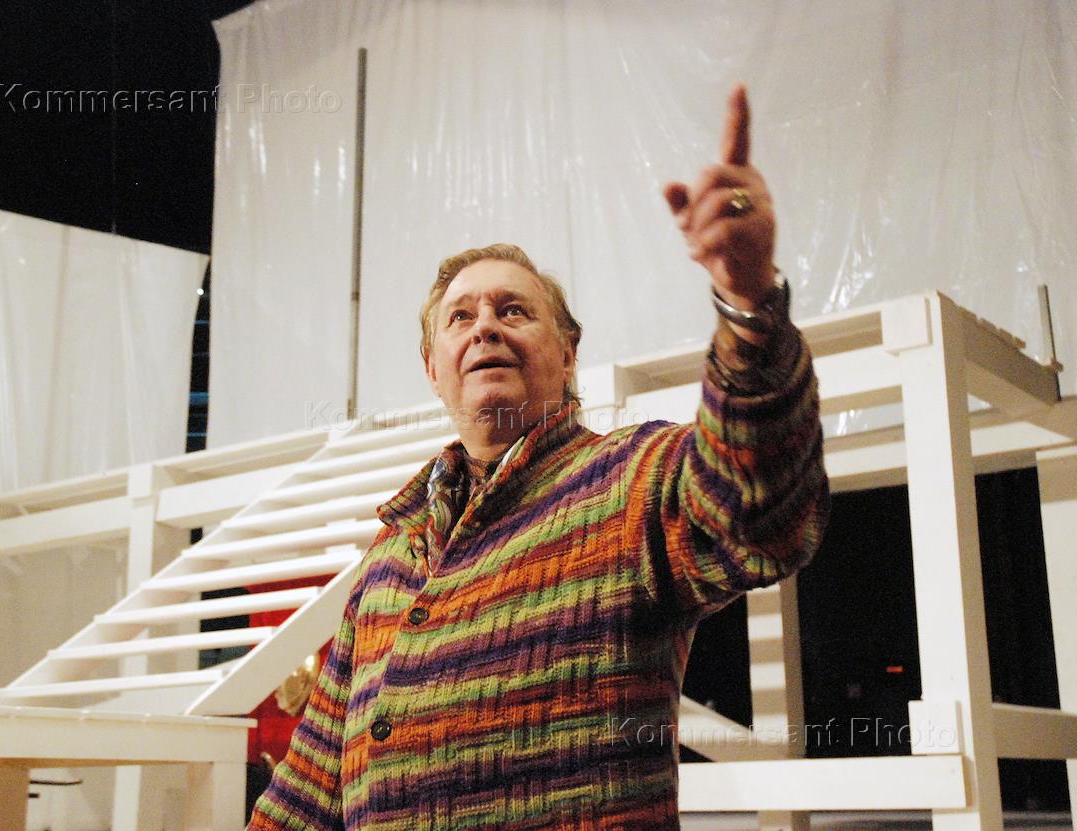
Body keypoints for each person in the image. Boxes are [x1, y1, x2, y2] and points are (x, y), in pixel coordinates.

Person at [249, 84, 829, 830]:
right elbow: (302, 797)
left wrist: (749, 307)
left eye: (514, 310)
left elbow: (757, 510)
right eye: (461, 316)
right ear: (433, 370)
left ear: (568, 352)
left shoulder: (626, 483)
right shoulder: (389, 563)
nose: (485, 326)